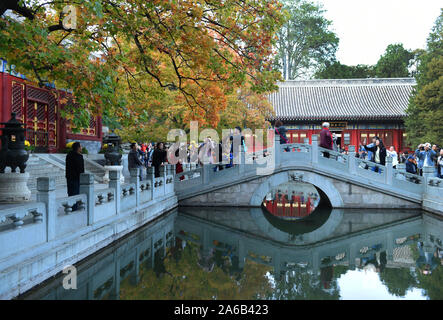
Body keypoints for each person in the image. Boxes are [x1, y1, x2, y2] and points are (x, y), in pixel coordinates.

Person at [65, 142, 84, 210]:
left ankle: (71, 206)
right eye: (81, 146)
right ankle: (74, 207)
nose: (81, 148)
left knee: (70, 192)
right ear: (78, 148)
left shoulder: (68, 155)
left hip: (69, 177)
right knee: (76, 193)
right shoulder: (79, 156)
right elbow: (81, 169)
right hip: (76, 178)